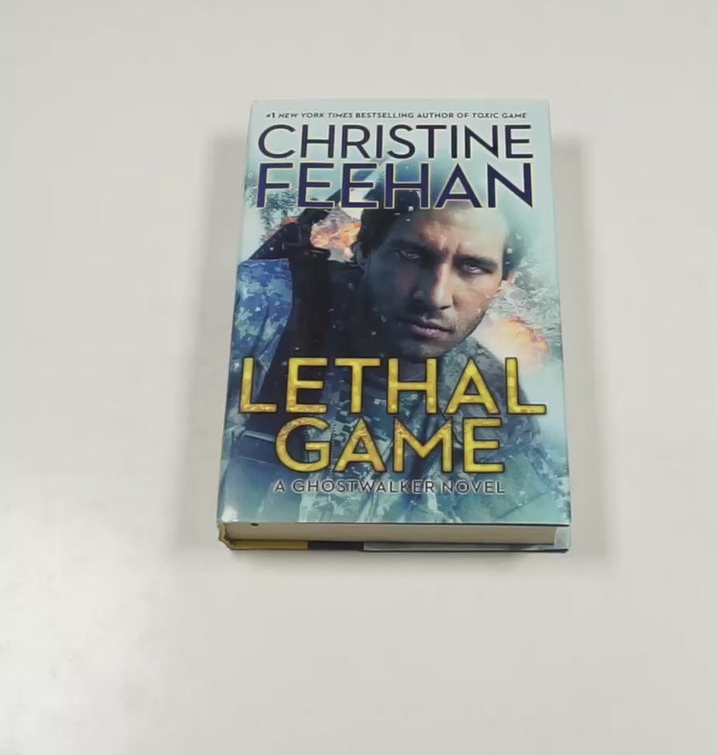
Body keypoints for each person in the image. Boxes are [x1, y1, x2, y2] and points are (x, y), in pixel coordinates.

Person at [219, 182, 567, 525]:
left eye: (473, 267)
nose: (435, 296)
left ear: (503, 282)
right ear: (363, 249)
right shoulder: (256, 307)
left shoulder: (494, 408)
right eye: (412, 256)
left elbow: (525, 527)